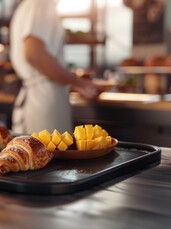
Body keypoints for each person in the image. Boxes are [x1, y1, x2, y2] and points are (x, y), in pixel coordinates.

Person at [10, 0, 103, 134]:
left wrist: (77, 84)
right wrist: (80, 84)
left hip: (38, 97)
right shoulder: (41, 4)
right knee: (53, 152)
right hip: (45, 99)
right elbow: (33, 54)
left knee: (38, 152)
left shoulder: (31, 5)